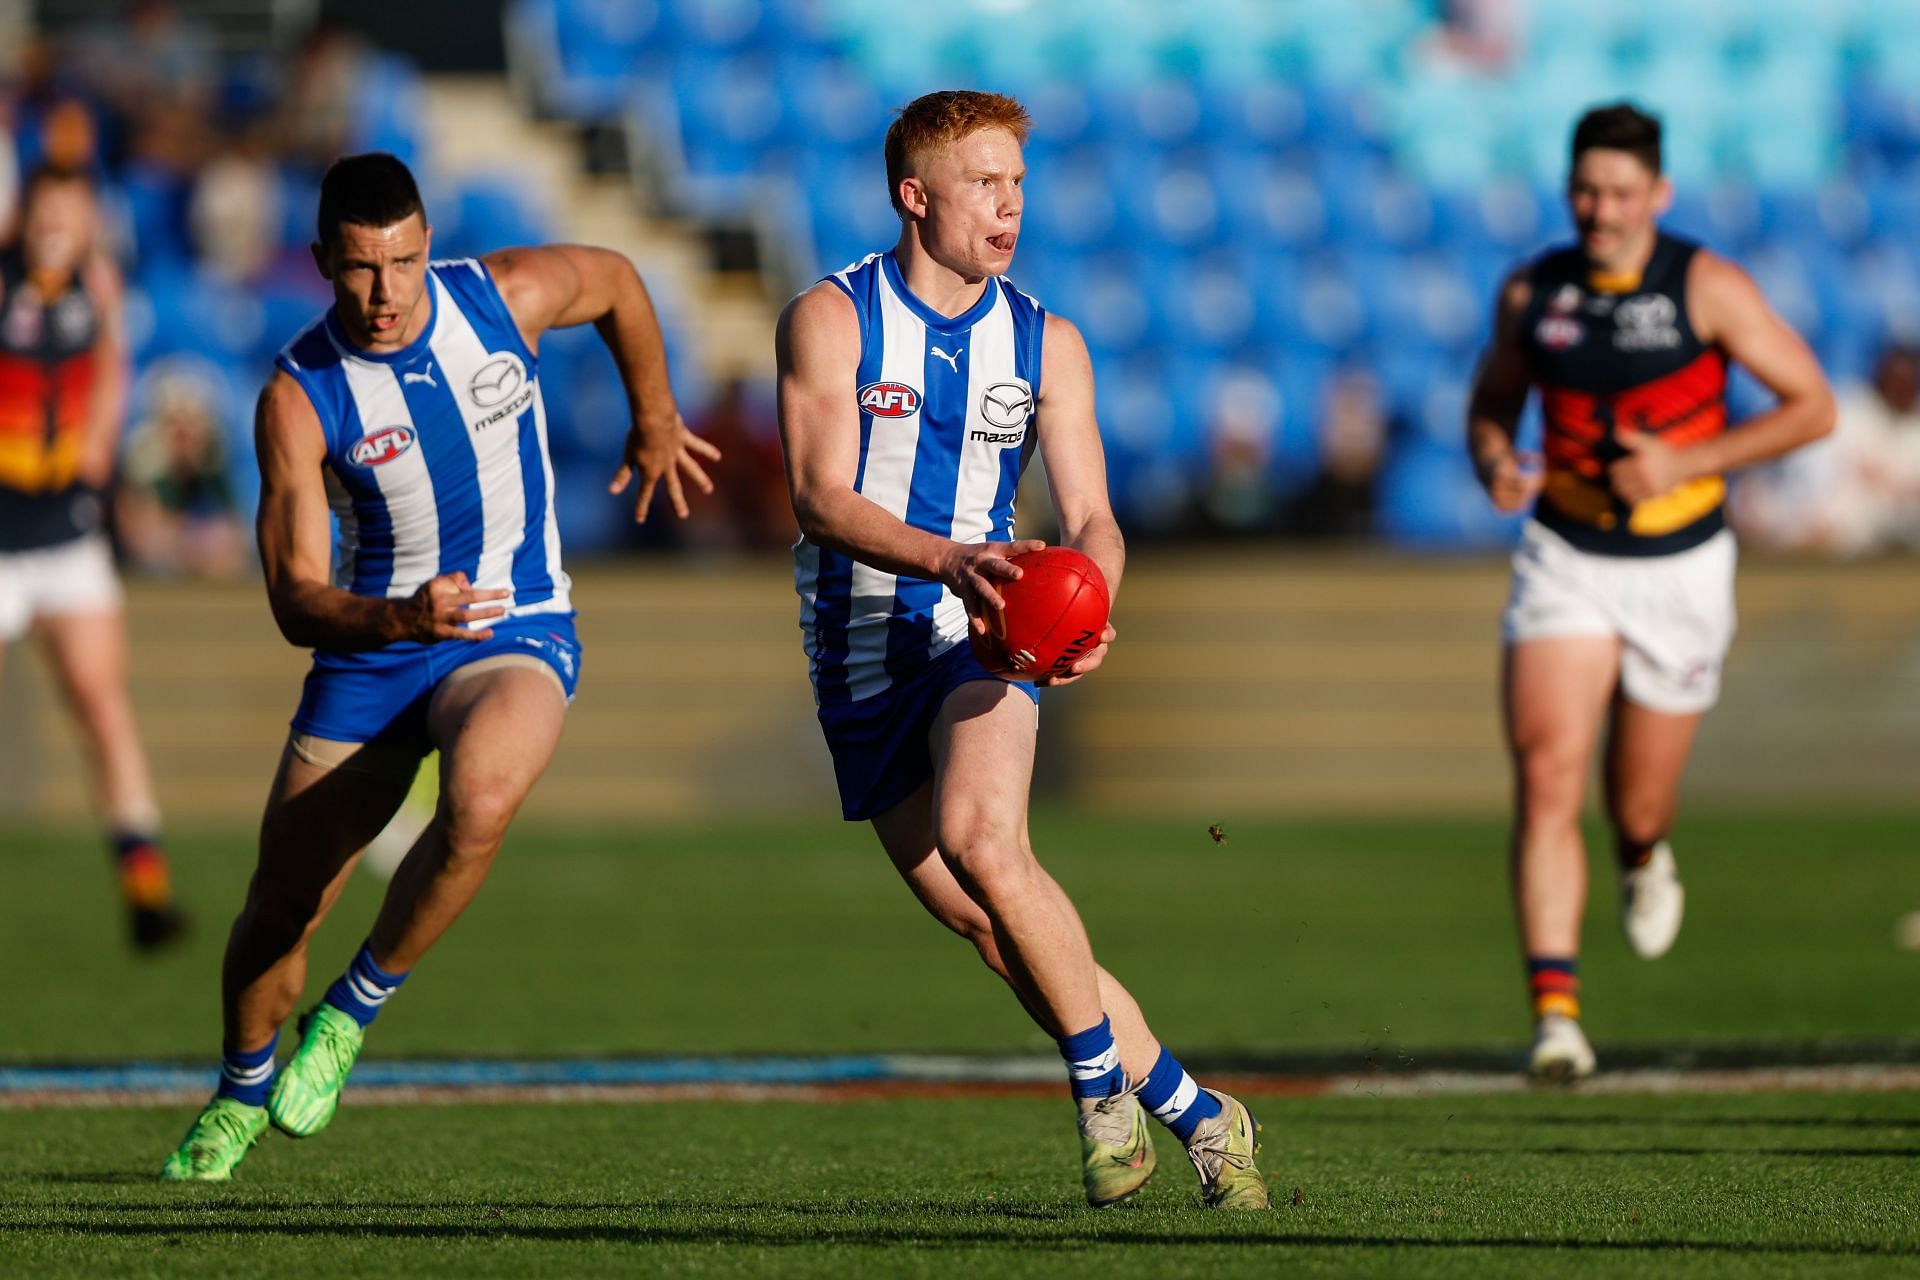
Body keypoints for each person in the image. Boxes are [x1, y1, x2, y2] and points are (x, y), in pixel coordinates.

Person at [161, 153, 717, 1180]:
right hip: (373, 650)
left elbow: (623, 284)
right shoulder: (298, 395)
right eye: (363, 269)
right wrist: (397, 612)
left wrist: (655, 416)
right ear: (323, 259)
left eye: (405, 263)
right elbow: (293, 597)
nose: (386, 294)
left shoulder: (500, 295)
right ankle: (240, 1089)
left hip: (514, 626)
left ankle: (351, 1012)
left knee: (480, 795)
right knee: (282, 908)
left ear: (428, 248)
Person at [776, 91, 1268, 1209]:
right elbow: (816, 498)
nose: (1010, 205)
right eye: (984, 183)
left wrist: (1093, 607)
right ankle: (1200, 1112)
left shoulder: (1048, 339)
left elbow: (1094, 517)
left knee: (983, 838)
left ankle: (1099, 1094)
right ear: (915, 195)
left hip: (981, 624)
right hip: (857, 644)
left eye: (1018, 184)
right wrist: (946, 554)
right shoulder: (831, 320)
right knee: (986, 923)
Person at [1466, 104, 1834, 1080]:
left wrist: (1690, 460)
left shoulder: (1705, 284)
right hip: (1565, 554)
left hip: (1682, 566)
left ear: (1658, 196)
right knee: (1548, 774)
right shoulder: (1532, 289)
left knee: (1636, 803)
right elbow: (1493, 403)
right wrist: (1498, 459)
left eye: (1621, 191)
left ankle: (1643, 851)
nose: (1601, 208)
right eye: (1586, 189)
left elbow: (1814, 405)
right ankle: (1556, 1013)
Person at [0, 164, 186, 948]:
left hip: (69, 536)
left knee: (102, 705)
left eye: (70, 212)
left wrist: (104, 436)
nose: (55, 223)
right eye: (45, 209)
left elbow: (111, 365)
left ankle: (146, 889)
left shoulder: (98, 284)